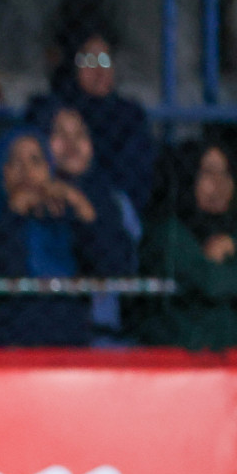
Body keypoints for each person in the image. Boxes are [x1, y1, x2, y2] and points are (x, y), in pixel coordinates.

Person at [0, 129, 135, 346]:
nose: (26, 171)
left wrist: (82, 208)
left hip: (69, 340)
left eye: (35, 161)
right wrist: (14, 214)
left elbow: (115, 266)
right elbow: (1, 270)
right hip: (7, 341)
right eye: (15, 162)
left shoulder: (68, 219)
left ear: (49, 169)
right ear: (1, 171)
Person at [139, 141, 237, 351]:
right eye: (208, 173)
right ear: (188, 178)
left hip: (236, 355)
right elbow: (213, 283)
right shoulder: (168, 232)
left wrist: (235, 245)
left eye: (226, 174)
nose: (219, 183)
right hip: (182, 354)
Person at [27, 25, 157, 217]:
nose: (99, 70)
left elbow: (137, 178)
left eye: (105, 60)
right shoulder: (47, 111)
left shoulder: (129, 117)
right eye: (88, 60)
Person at [45, 104, 141, 340]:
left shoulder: (113, 203)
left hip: (100, 337)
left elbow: (119, 269)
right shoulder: (23, 203)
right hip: (39, 337)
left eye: (80, 134)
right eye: (59, 134)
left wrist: (83, 210)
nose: (72, 145)